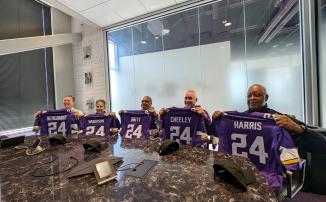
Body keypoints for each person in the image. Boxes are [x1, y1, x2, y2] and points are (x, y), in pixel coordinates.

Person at [212, 84, 326, 154]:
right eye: (249, 95)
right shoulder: (239, 118)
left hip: (269, 175)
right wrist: (216, 120)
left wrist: (297, 128)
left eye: (257, 95)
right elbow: (215, 136)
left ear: (266, 98)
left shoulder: (279, 119)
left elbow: (322, 145)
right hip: (241, 171)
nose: (252, 98)